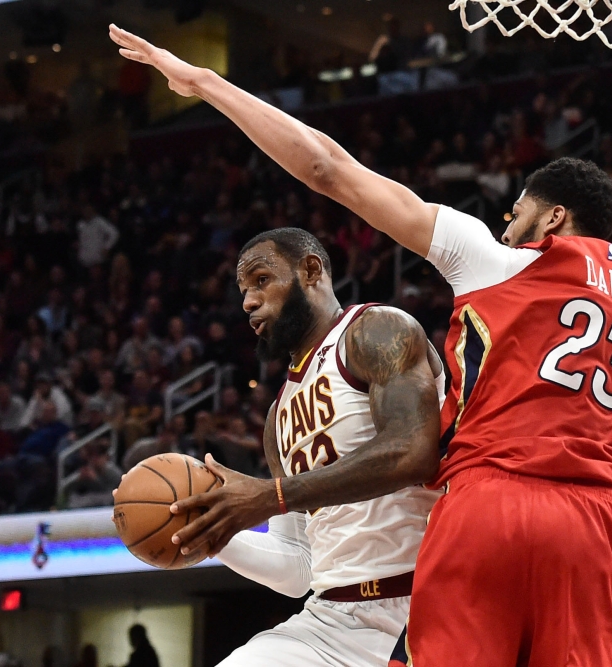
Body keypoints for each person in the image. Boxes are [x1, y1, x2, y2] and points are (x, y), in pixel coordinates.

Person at [111, 26, 612, 666]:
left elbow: (328, 169)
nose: (504, 217)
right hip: (593, 525)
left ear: (551, 216)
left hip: (486, 504)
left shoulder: (494, 258)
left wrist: (207, 85)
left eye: (515, 208)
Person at [133, 228, 444, 667]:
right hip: (331, 620)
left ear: (311, 270)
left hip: (429, 604)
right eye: (243, 290)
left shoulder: (375, 331)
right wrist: (215, 534)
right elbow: (299, 569)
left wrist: (271, 496)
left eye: (261, 280)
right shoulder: (278, 415)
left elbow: (414, 451)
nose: (248, 302)